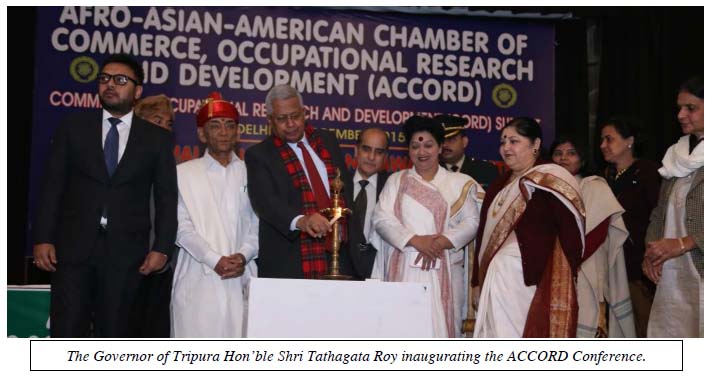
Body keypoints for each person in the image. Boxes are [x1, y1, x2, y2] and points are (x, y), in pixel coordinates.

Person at [32, 53, 177, 337]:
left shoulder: (156, 139)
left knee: (117, 333)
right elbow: (53, 186)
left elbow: (166, 198)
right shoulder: (73, 127)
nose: (110, 84)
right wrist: (43, 238)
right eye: (105, 78)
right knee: (67, 331)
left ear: (137, 91)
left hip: (127, 254)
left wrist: (162, 247)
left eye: (120, 80)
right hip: (72, 250)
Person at [472, 117, 585, 338]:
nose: (506, 147)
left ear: (535, 145)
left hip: (535, 280)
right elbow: (483, 233)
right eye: (503, 141)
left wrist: (564, 278)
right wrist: (477, 281)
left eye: (514, 141)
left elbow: (571, 231)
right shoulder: (498, 185)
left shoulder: (550, 178)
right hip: (497, 277)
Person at [371, 115, 482, 337]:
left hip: (445, 265)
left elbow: (472, 222)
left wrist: (439, 242)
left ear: (440, 147)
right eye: (415, 146)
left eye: (428, 145)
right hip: (402, 268)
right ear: (408, 151)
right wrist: (416, 240)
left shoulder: (459, 182)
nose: (422, 152)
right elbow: (381, 219)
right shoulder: (397, 181)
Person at [171, 92, 258, 337]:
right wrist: (213, 259)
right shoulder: (183, 173)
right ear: (201, 134)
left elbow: (259, 223)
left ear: (238, 132)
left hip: (244, 273)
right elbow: (180, 227)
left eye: (230, 126)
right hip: (198, 277)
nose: (223, 132)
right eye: (215, 126)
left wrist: (243, 255)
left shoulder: (252, 173)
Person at [245, 84, 351, 279]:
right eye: (282, 119)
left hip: (339, 255)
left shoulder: (327, 141)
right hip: (292, 262)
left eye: (295, 116)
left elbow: (346, 191)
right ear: (270, 120)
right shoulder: (259, 155)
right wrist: (302, 220)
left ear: (304, 113)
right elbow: (265, 202)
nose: (291, 124)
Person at [551, 136, 636, 338]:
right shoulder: (545, 189)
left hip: (586, 268)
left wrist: (567, 262)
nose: (564, 158)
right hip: (554, 272)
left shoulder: (594, 186)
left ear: (582, 159)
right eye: (558, 153)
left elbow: (597, 233)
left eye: (571, 153)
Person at [644, 76, 704, 338]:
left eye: (691, 108)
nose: (681, 115)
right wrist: (651, 250)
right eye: (679, 108)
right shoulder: (675, 155)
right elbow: (660, 212)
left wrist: (683, 243)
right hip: (673, 276)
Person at [600, 116, 661, 337]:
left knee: (643, 328)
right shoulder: (605, 177)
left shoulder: (648, 172)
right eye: (601, 140)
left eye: (609, 139)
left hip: (639, 267)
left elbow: (659, 216)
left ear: (629, 141)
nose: (603, 145)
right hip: (610, 265)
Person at [131, 93, 177, 338]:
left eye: (168, 124)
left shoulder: (171, 164)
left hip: (161, 264)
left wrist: (161, 251)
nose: (164, 128)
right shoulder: (120, 161)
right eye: (157, 120)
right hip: (125, 263)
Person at [341, 128, 391, 280]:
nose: (371, 157)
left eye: (379, 152)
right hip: (342, 271)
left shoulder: (392, 187)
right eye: (366, 149)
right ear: (356, 150)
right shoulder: (339, 184)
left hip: (378, 270)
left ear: (385, 157)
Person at [436, 114, 499, 189]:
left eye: (451, 140)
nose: (445, 145)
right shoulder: (431, 171)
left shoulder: (486, 170)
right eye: (441, 141)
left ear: (464, 142)